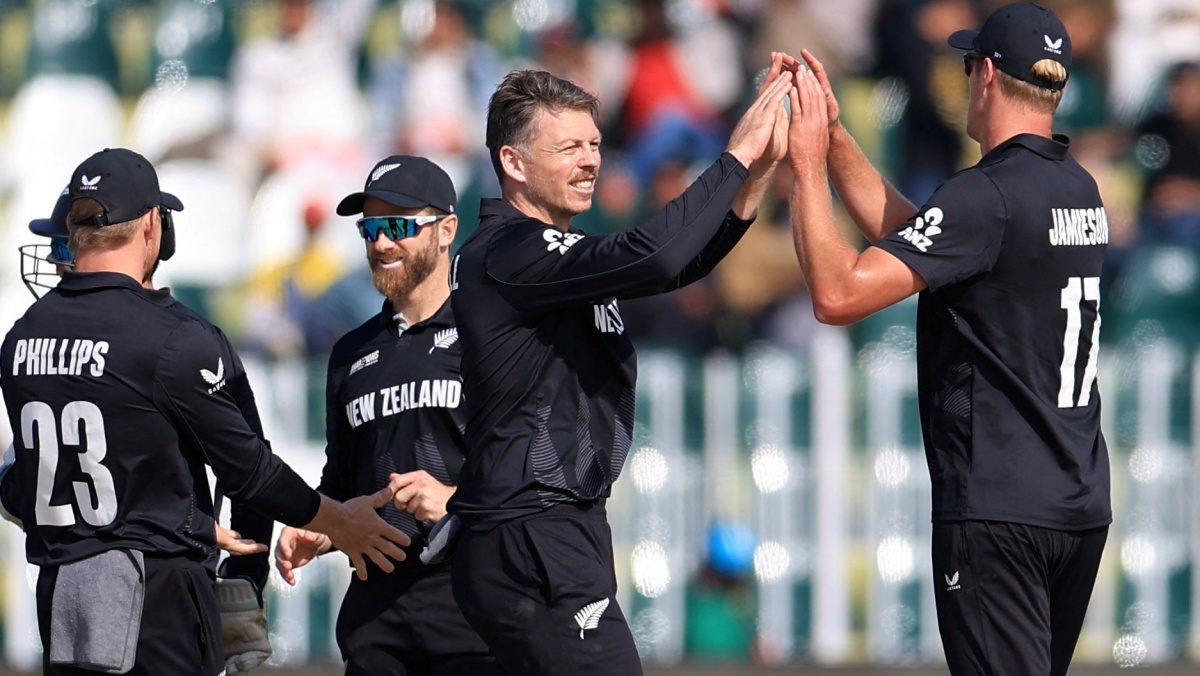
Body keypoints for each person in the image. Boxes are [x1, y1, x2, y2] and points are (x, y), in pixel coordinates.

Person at [784, 3, 1111, 675]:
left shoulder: (985, 196)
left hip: (999, 508)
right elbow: (925, 239)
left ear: (986, 74)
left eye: (968, 64)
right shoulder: (1076, 189)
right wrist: (840, 137)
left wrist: (808, 166)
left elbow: (838, 295)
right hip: (1075, 501)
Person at [0, 147, 411, 675]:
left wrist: (183, 518)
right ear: (154, 226)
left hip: (67, 603)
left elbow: (32, 484)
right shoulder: (173, 339)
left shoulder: (22, 337)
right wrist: (331, 525)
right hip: (157, 601)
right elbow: (250, 473)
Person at [446, 59, 791, 675]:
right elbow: (655, 257)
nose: (590, 160)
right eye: (568, 146)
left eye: (596, 145)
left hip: (550, 526)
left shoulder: (556, 254)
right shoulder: (510, 249)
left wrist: (757, 172)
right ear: (513, 163)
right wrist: (733, 156)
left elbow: (678, 265)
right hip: (533, 527)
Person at [14, 180, 279, 675]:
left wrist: (242, 578)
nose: (54, 262)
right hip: (132, 595)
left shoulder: (182, 342)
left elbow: (246, 469)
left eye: (61, 245)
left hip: (128, 598)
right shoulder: (181, 337)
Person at [273, 155, 496, 675]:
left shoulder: (490, 335)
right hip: (376, 620)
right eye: (370, 229)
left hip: (472, 609)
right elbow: (343, 476)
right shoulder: (350, 352)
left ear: (447, 230)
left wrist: (458, 502)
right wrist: (326, 528)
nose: (380, 243)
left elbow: (535, 464)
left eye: (397, 226)